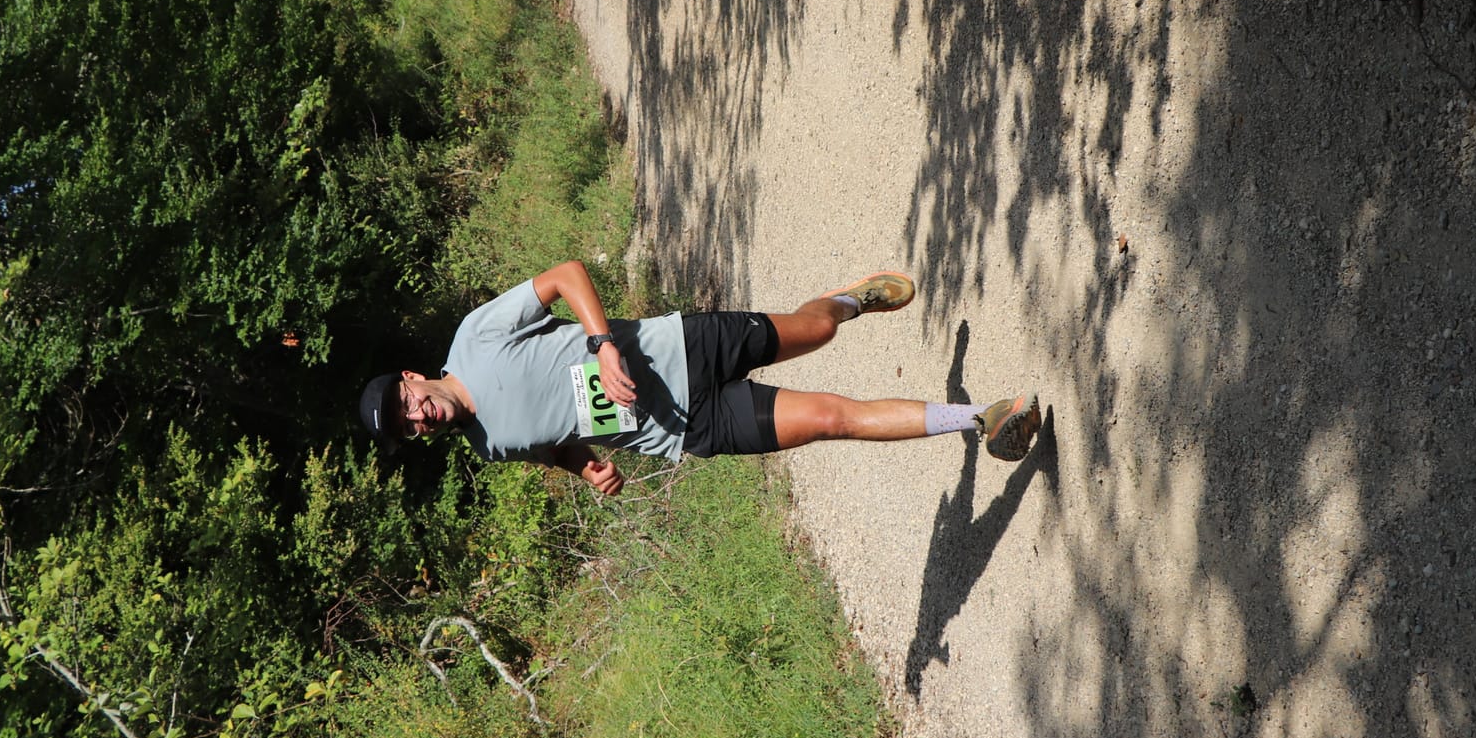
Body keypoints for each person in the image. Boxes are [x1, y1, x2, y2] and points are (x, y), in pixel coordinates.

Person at [357, 260, 1040, 495]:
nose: (418, 417)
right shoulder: (485, 446)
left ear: (413, 377)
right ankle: (984, 417)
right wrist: (585, 468)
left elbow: (566, 276)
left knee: (819, 328)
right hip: (692, 427)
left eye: (407, 403)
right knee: (835, 417)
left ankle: (851, 300)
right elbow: (554, 442)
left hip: (684, 346)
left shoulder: (473, 339)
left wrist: (601, 344)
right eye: (408, 427)